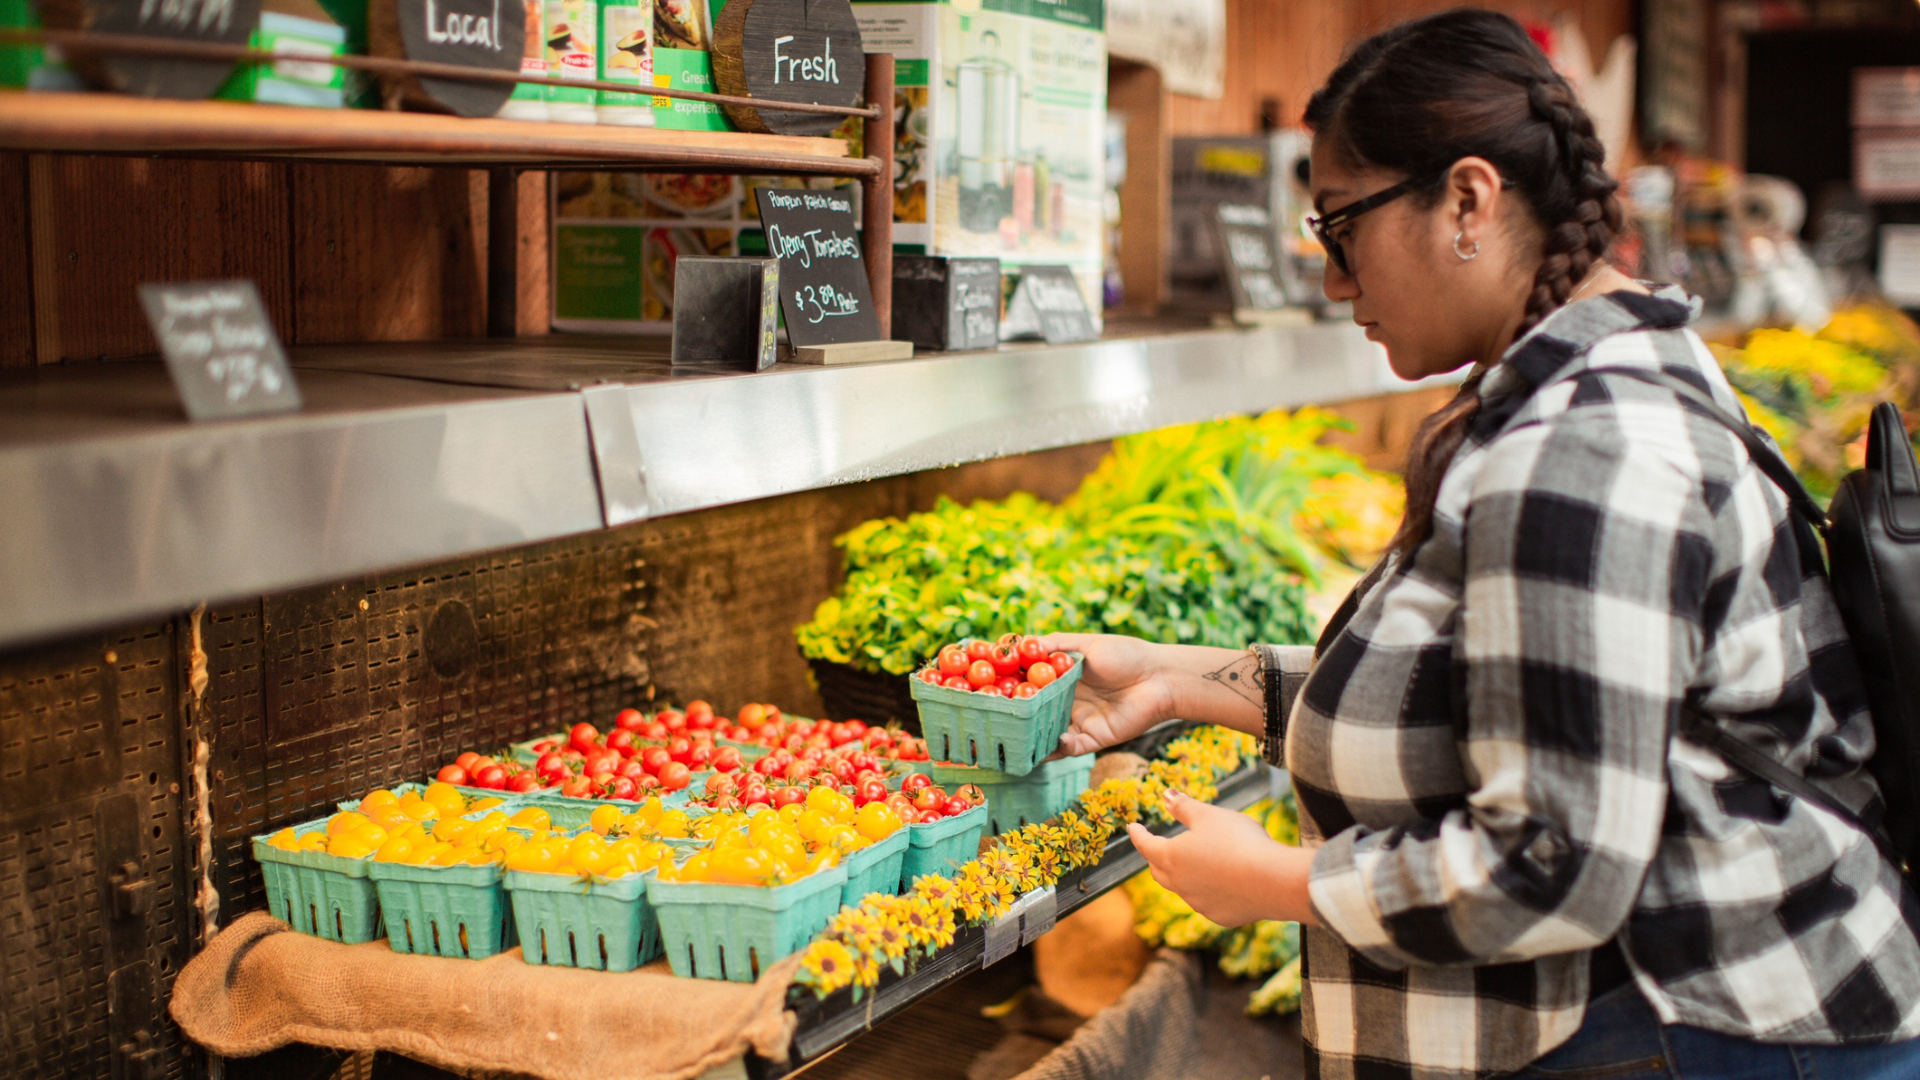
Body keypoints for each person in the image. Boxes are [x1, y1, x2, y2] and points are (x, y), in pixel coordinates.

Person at [1035, 10, 1920, 1079]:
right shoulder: (1599, 382)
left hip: (1703, 1034)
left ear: (1467, 199)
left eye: (1339, 226)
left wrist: (1275, 882)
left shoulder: (1583, 448)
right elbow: (1495, 694)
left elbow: (1555, 861)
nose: (1332, 280)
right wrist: (1178, 681)